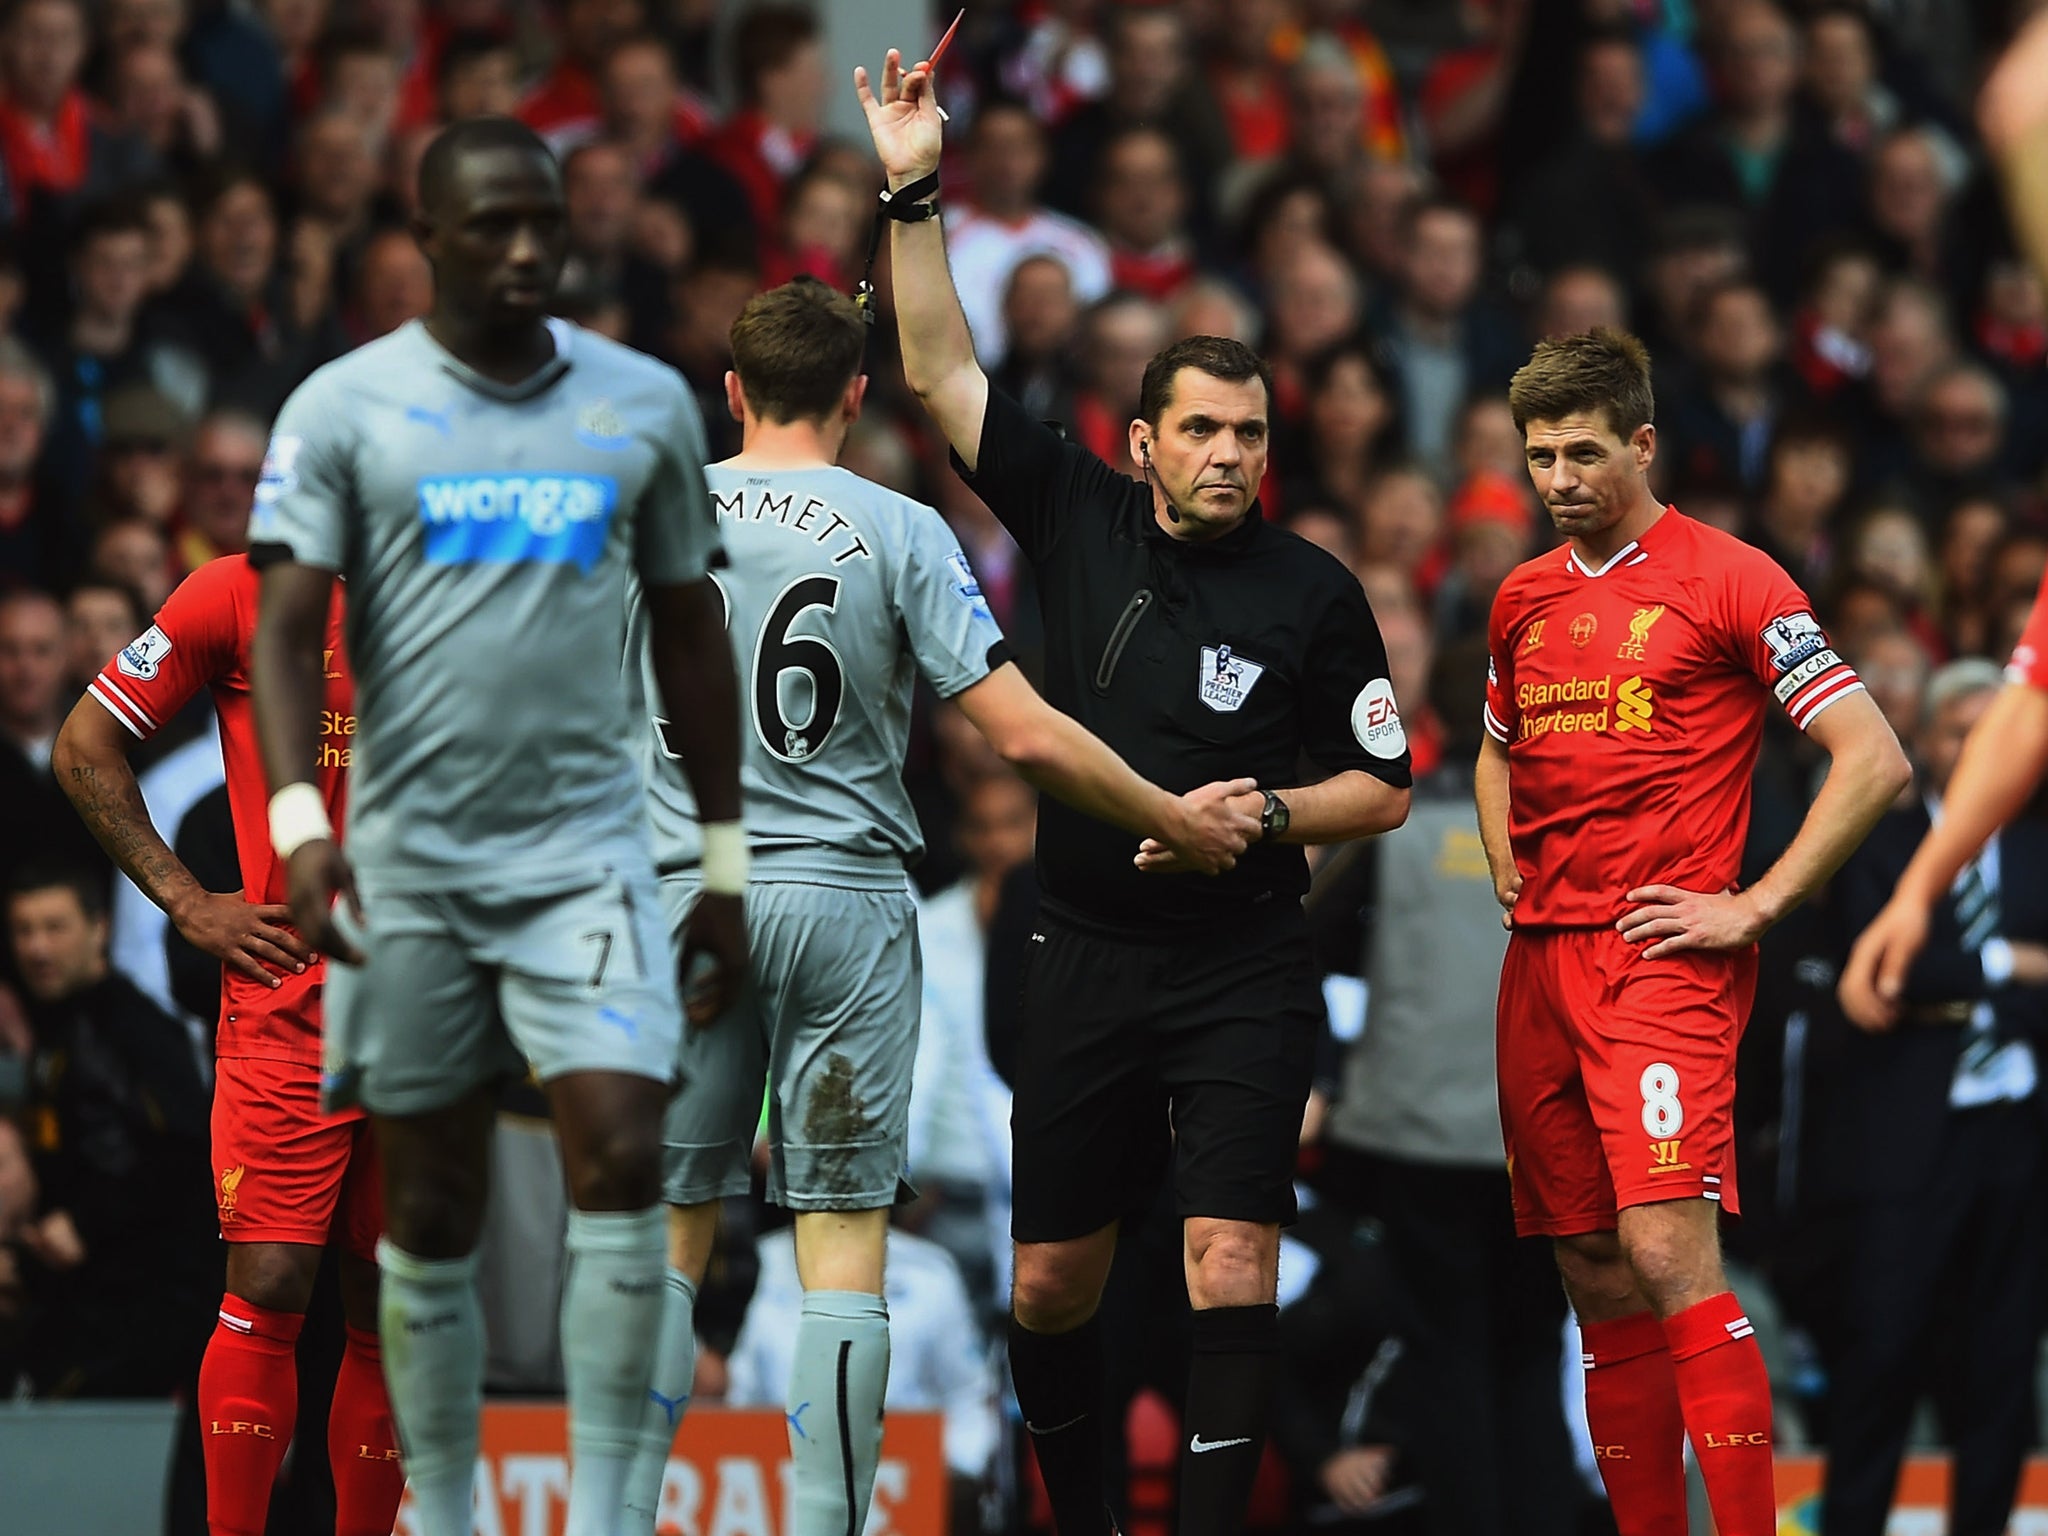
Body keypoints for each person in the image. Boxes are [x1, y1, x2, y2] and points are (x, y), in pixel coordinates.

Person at [859, 48, 1414, 1536]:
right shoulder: (1077, 514)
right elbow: (937, 370)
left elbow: (1386, 786)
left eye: (1252, 434)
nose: (1232, 454)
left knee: (1229, 1259)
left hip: (1243, 962)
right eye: (1207, 432)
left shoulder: (1316, 590)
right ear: (1142, 442)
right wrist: (914, 180)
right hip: (1082, 957)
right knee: (1056, 1283)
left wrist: (1271, 818)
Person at [618, 278, 1260, 1536]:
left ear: (733, 392)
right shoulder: (902, 530)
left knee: (669, 1237)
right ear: (858, 398)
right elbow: (1020, 733)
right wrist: (1164, 810)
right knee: (843, 1246)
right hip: (849, 909)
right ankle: (829, 1523)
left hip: (687, 900)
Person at [245, 117, 745, 1536]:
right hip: (408, 859)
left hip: (588, 854)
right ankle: (448, 1512)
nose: (530, 247)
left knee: (621, 1151)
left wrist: (720, 858)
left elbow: (692, 635)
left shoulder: (642, 404)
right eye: (494, 226)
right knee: (434, 1200)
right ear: (428, 239)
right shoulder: (344, 407)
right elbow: (285, 635)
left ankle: (600, 1515)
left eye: (547, 221)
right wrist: (297, 821)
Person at [1477, 326, 1909, 1536]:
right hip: (1539, 969)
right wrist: (1500, 844)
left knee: (1666, 1255)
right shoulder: (1519, 598)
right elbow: (1493, 744)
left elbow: (1871, 758)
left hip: (1660, 957)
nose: (1556, 479)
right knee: (1589, 1273)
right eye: (1537, 457)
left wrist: (1757, 902)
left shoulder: (1733, 577)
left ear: (1643, 444)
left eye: (1579, 453)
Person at [51, 550, 406, 1536]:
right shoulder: (237, 590)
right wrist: (188, 904)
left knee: (396, 1305)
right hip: (291, 1006)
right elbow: (83, 745)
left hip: (430, 1008)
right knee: (271, 1284)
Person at [1824, 659, 2048, 1536]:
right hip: (1911, 1138)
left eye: (1997, 732)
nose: (1979, 749)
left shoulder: (2037, 838)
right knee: (1883, 1351)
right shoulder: (1882, 836)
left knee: (2002, 1363)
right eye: (1962, 731)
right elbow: (1891, 969)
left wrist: (1960, 983)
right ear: (1928, 741)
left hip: (2018, 1131)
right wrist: (2015, 964)